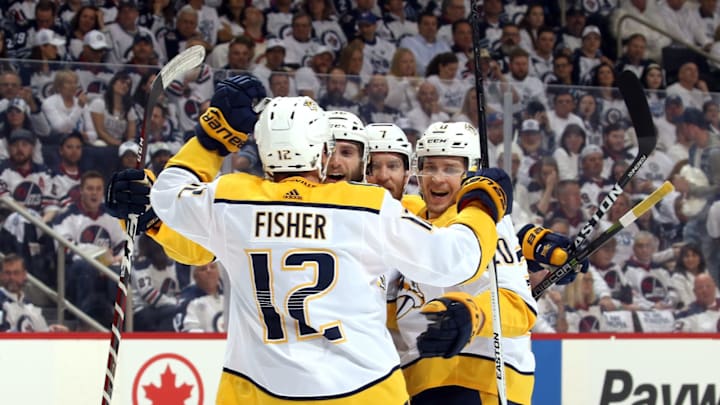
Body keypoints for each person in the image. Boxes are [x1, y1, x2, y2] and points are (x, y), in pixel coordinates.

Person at [149, 77, 509, 403]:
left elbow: (166, 194)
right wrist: (482, 205)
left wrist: (213, 140)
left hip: (258, 390)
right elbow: (457, 258)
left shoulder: (230, 200)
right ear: (321, 153)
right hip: (362, 390)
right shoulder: (366, 205)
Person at [0, 254, 68, 332]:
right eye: (7, 273)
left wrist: (51, 331)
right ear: (1, 275)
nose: (12, 277)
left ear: (24, 275)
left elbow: (39, 334)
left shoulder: (29, 305)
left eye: (16, 273)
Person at [175, 261, 225, 332]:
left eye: (213, 267)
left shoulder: (229, 294)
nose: (209, 270)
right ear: (195, 276)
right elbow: (186, 330)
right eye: (203, 269)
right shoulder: (187, 298)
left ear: (218, 273)